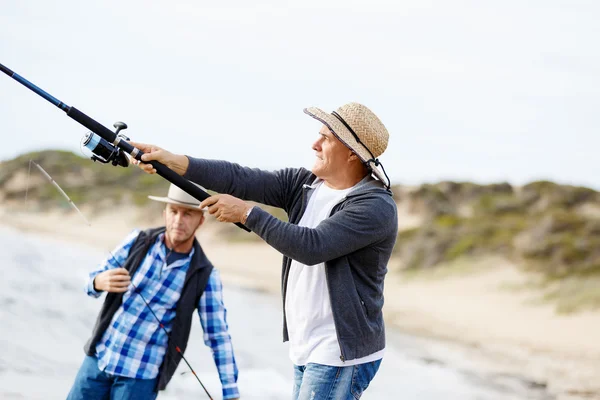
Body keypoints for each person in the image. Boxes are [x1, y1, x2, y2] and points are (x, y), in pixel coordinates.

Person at [132, 102, 398, 400]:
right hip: (305, 344)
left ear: (352, 153)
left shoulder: (375, 206)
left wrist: (247, 214)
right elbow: (240, 178)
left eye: (326, 138)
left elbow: (312, 246)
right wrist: (174, 162)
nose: (314, 143)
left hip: (339, 350)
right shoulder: (304, 184)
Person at [66, 184, 240, 400]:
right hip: (98, 360)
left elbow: (217, 336)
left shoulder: (204, 274)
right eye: (174, 211)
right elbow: (92, 281)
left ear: (201, 220)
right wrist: (97, 282)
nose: (178, 220)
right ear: (164, 213)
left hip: (141, 377)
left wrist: (230, 392)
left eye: (188, 214)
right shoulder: (138, 241)